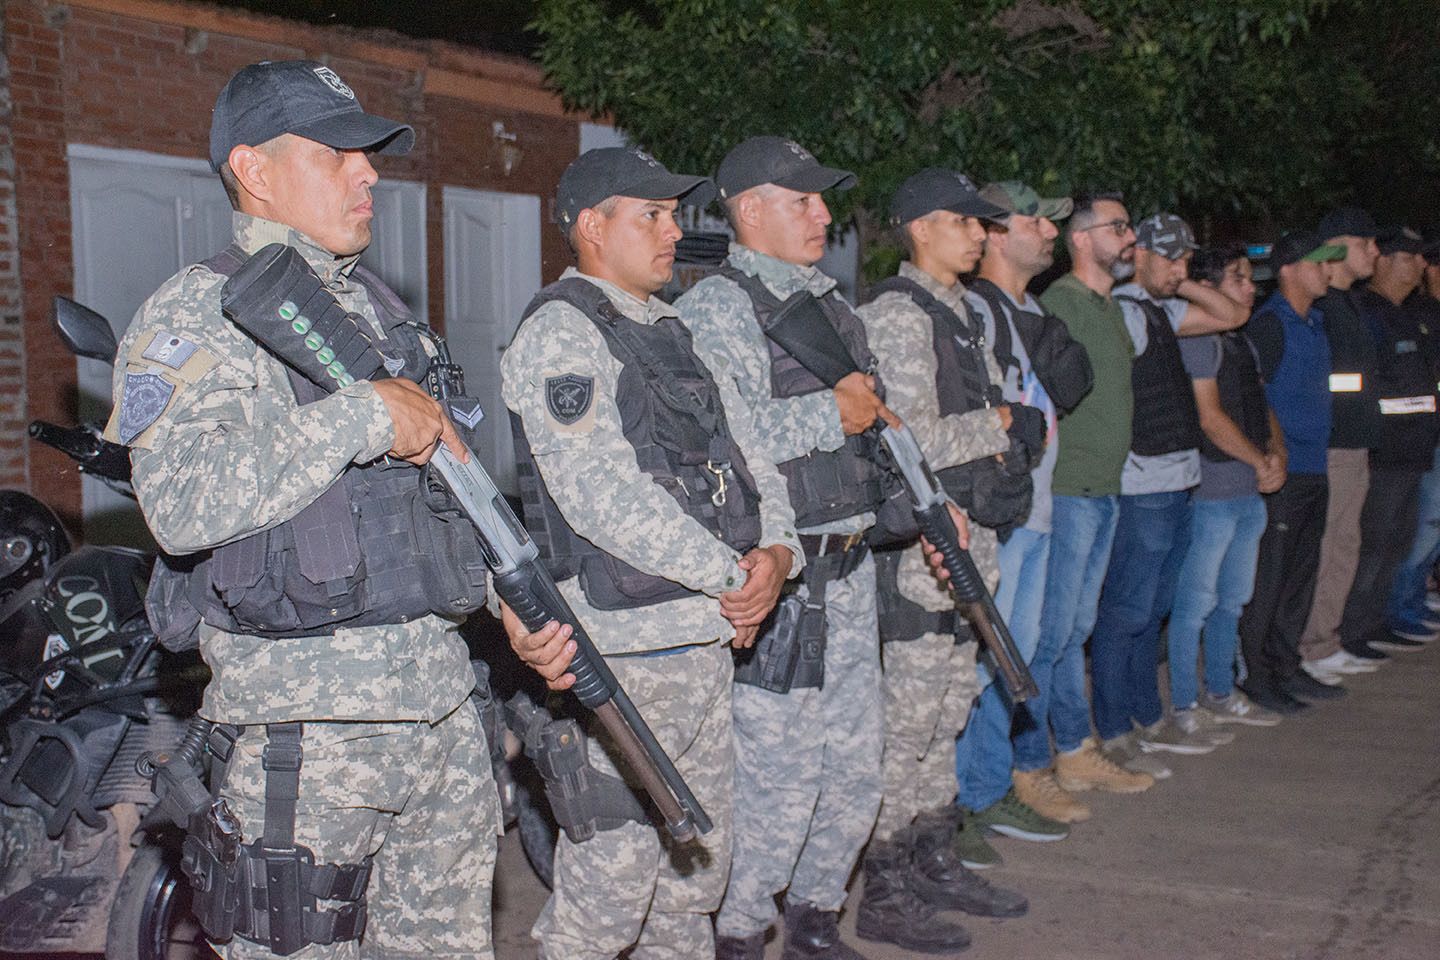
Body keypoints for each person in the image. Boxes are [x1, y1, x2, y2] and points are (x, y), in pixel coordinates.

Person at [106, 61, 502, 958]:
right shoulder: (199, 315)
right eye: (337, 154)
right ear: (253, 169)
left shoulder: (382, 314)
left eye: (370, 155)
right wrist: (362, 416)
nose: (369, 174)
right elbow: (178, 503)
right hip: (309, 740)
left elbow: (446, 489)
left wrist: (514, 600)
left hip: (441, 712)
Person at [501, 147, 800, 959]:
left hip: (703, 641)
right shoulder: (562, 331)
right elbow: (600, 496)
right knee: (610, 891)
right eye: (653, 216)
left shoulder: (672, 328)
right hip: (627, 653)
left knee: (694, 878)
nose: (674, 232)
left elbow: (752, 455)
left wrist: (777, 554)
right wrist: (733, 575)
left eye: (674, 215)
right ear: (593, 227)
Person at [676, 136, 891, 960]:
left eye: (821, 200)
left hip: (851, 564)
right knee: (779, 775)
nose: (825, 215)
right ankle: (739, 931)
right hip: (784, 575)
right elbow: (722, 439)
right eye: (803, 200)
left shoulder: (835, 308)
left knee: (853, 763)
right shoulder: (720, 309)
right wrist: (830, 416)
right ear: (750, 207)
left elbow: (879, 428)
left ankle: (815, 915)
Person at [853, 168, 1031, 953]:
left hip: (969, 544)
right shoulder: (897, 312)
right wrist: (998, 420)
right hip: (923, 555)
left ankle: (933, 860)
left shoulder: (959, 311)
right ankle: (885, 893)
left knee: (948, 716)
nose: (980, 235)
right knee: (910, 728)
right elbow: (907, 434)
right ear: (921, 226)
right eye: (966, 222)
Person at [955, 179, 1086, 867]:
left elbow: (1072, 383)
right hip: (999, 514)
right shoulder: (976, 309)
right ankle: (958, 803)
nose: (1050, 231)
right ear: (995, 233)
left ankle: (987, 786)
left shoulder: (1026, 308)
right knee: (981, 663)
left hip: (1034, 509)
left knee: (1013, 661)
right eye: (1036, 219)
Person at [1015, 192, 1155, 827]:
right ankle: (1027, 766)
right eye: (1118, 227)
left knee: (1075, 632)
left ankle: (1073, 749)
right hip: (1068, 491)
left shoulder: (1108, 307)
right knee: (1047, 637)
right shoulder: (1061, 307)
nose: (1129, 238)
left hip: (1105, 489)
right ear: (1081, 239)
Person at [1094, 213, 1249, 768]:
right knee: (1127, 612)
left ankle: (1146, 718)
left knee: (1153, 609)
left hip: (1180, 479)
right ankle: (1116, 729)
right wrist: (1152, 273)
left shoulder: (1159, 309)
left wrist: (1175, 277)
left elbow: (1233, 312)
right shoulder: (1125, 313)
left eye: (1188, 257)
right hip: (1145, 485)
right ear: (1138, 255)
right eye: (1172, 257)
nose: (1182, 267)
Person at [1166, 245, 1285, 729]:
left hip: (1247, 489)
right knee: (1195, 604)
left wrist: (1277, 455)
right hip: (1213, 491)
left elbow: (1261, 403)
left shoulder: (1243, 341)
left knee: (1232, 601)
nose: (1251, 287)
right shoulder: (1198, 340)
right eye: (1238, 278)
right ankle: (1184, 704)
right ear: (1210, 288)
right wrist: (1260, 460)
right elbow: (1210, 419)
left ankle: (1220, 690)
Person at [1238, 230, 1347, 714]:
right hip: (1284, 474)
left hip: (1315, 468)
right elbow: (1255, 398)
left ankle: (1286, 664)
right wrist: (1273, 452)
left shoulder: (1315, 323)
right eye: (1318, 262)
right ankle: (1255, 673)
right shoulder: (1269, 326)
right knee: (1270, 578)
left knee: (1300, 576)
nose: (1327, 271)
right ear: (1287, 270)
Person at [1333, 226, 1440, 658]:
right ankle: (1353, 630)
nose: (1418, 267)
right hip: (1384, 452)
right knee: (1371, 544)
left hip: (1414, 449)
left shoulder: (1407, 314)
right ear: (1384, 262)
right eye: (1409, 257)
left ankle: (1376, 621)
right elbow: (1356, 389)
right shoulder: (1366, 314)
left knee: (1397, 540)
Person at [1298, 207, 1386, 678]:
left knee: (1344, 545)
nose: (1375, 251)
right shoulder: (1322, 307)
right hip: (1330, 447)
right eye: (1365, 242)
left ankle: (1324, 639)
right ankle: (1309, 646)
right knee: (1327, 547)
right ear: (1335, 247)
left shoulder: (1349, 303)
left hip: (1354, 444)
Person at [1385, 237, 1440, 643]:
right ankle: (1400, 603)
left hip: (1425, 436)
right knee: (1423, 526)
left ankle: (1414, 595)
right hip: (1418, 438)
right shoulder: (1419, 314)